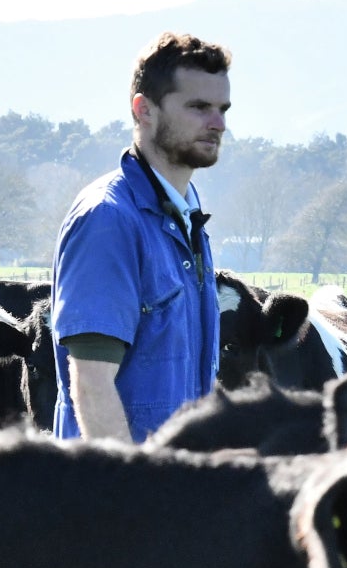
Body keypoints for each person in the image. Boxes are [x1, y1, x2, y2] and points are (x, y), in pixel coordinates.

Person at [49, 33, 230, 442]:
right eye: (198, 107)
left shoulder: (186, 219)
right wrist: (131, 495)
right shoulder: (108, 220)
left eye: (222, 108)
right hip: (117, 493)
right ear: (143, 110)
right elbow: (92, 386)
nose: (218, 123)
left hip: (175, 486)